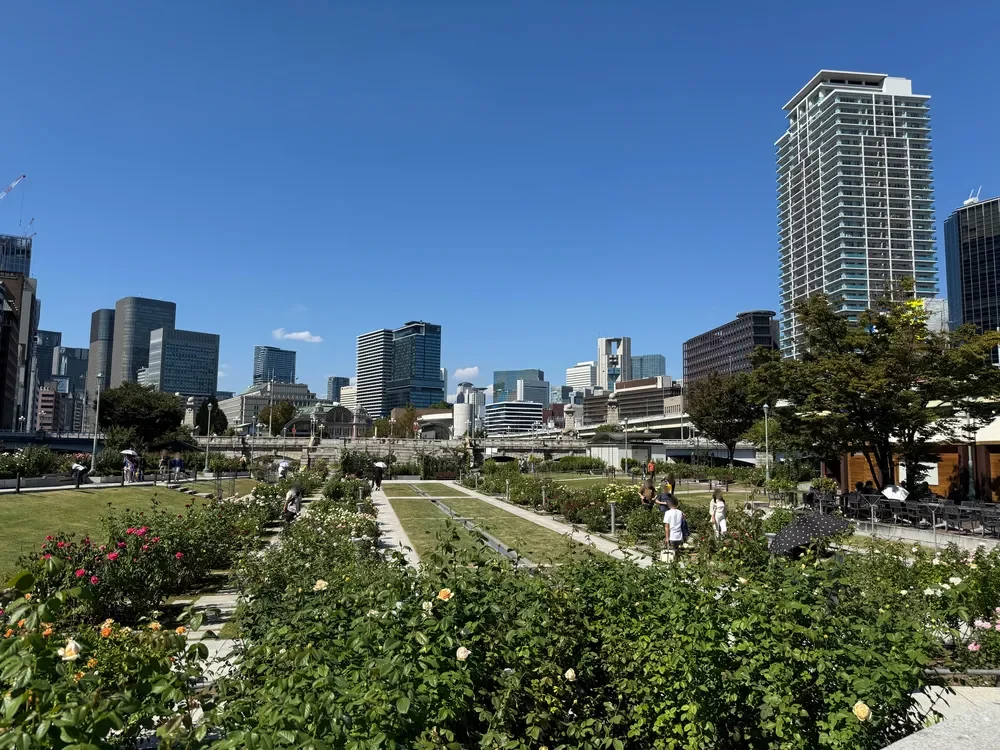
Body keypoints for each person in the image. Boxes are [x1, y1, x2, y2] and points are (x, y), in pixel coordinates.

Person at [663, 495, 686, 560]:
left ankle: (673, 565)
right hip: (679, 535)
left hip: (671, 536)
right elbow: (684, 520)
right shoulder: (680, 512)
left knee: (671, 553)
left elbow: (667, 527)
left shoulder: (667, 513)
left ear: (668, 504)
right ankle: (677, 563)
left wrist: (667, 538)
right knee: (677, 551)